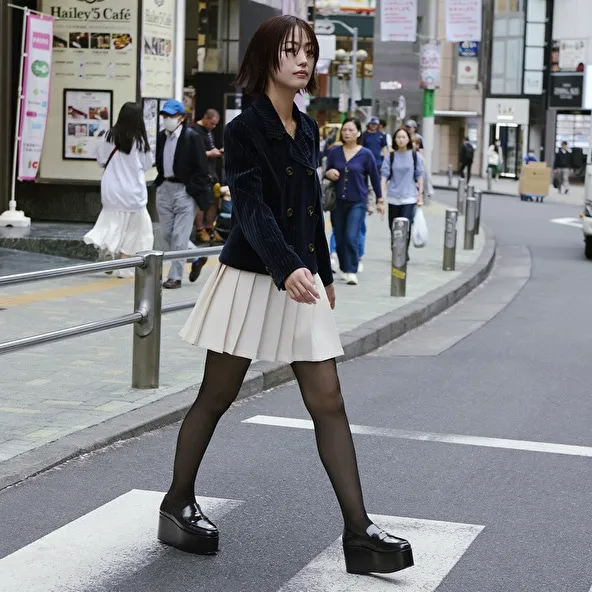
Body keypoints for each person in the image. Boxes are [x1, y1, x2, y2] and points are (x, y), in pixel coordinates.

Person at [157, 15, 414, 577]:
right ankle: (176, 503)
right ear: (267, 56)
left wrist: (320, 271)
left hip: (299, 281)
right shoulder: (246, 126)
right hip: (254, 278)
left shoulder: (307, 126)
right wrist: (289, 267)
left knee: (329, 401)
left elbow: (308, 212)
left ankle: (359, 530)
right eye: (291, 50)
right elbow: (251, 208)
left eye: (309, 51)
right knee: (216, 396)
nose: (303, 60)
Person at [84, 102, 154, 278]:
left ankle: (108, 249)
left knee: (110, 222)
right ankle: (123, 262)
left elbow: (101, 160)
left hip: (112, 190)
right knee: (135, 228)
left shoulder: (109, 136)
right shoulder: (140, 140)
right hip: (133, 192)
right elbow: (147, 165)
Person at [155, 99, 210, 289]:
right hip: (165, 188)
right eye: (164, 116)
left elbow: (202, 168)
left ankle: (175, 277)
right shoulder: (162, 136)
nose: (166, 119)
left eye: (170, 116)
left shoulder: (192, 137)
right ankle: (196, 255)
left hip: (184, 190)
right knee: (167, 233)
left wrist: (191, 188)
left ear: (180, 118)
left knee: (179, 235)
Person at [325, 117, 382, 286]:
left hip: (358, 201)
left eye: (350, 130)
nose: (347, 133)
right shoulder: (335, 152)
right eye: (344, 130)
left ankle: (351, 270)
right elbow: (326, 170)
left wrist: (380, 199)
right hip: (338, 202)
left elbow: (375, 178)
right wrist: (330, 173)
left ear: (358, 132)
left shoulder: (366, 154)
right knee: (340, 237)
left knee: (351, 236)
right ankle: (344, 267)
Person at [381, 128, 424, 257]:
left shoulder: (415, 156)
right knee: (393, 227)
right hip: (394, 197)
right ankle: (395, 248)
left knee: (406, 226)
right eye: (398, 137)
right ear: (395, 140)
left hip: (409, 197)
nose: (401, 139)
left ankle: (404, 251)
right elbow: (384, 176)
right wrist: (381, 196)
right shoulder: (391, 156)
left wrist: (420, 194)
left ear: (408, 139)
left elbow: (419, 176)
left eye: (403, 137)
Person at [192, 109, 225, 244]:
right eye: (212, 123)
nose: (214, 126)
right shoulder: (194, 131)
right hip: (200, 172)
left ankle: (210, 227)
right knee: (201, 202)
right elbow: (193, 153)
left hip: (212, 171)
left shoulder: (209, 132)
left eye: (216, 124)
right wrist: (209, 154)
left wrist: (217, 152)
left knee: (214, 199)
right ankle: (200, 230)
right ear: (205, 118)